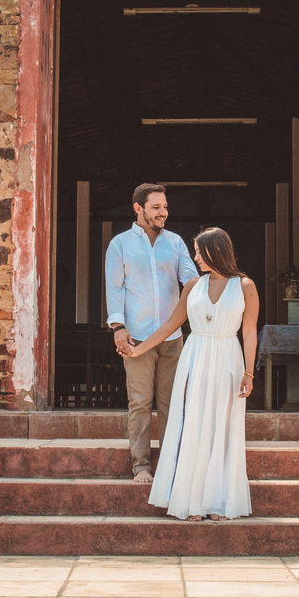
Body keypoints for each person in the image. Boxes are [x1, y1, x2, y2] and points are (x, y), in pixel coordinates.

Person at [121, 227, 259, 521]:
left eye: (199, 251)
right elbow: (172, 323)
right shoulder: (193, 285)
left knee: (221, 428)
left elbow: (249, 332)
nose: (195, 257)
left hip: (228, 359)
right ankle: (190, 502)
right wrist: (140, 349)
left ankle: (217, 502)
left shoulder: (245, 286)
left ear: (215, 251)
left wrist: (249, 372)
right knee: (193, 425)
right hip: (195, 356)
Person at [106, 183, 199, 484]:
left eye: (165, 207)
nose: (163, 212)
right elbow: (115, 287)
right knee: (141, 403)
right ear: (138, 208)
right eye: (157, 207)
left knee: (173, 403)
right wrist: (118, 327)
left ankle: (173, 463)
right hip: (137, 339)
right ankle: (141, 466)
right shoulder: (120, 244)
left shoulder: (175, 243)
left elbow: (191, 279)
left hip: (172, 338)